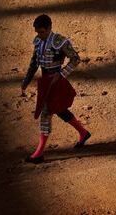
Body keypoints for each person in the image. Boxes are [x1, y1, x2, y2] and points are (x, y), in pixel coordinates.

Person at [21, 14, 91, 164]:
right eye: (37, 32)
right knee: (59, 110)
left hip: (56, 81)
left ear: (49, 28)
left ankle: (38, 153)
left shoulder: (60, 41)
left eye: (42, 32)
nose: (39, 35)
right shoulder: (39, 41)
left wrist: (61, 74)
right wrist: (26, 80)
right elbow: (34, 63)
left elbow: (75, 59)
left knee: (46, 113)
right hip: (45, 82)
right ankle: (83, 133)